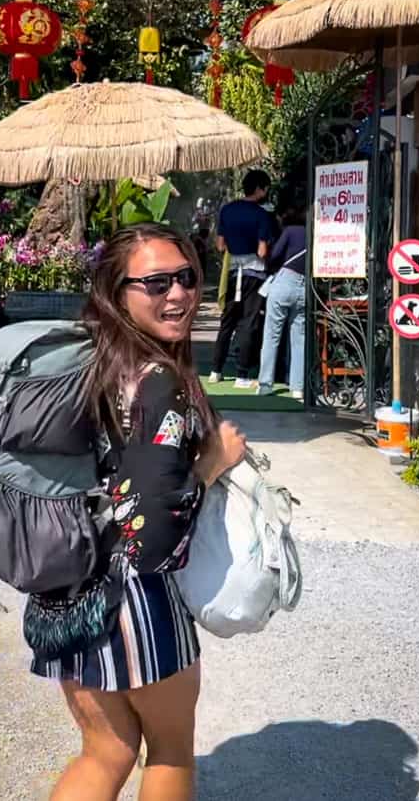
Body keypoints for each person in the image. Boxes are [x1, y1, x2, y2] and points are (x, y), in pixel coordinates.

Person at [33, 223, 246, 801]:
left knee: (105, 751)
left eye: (186, 278)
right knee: (170, 749)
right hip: (135, 598)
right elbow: (152, 526)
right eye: (155, 283)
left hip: (65, 587)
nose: (177, 295)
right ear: (114, 290)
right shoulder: (160, 382)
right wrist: (212, 464)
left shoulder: (85, 364)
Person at [209, 169, 277, 388]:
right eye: (265, 188)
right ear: (259, 189)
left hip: (232, 271)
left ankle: (215, 370)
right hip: (254, 274)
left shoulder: (227, 210)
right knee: (249, 323)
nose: (266, 192)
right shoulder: (261, 215)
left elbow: (220, 245)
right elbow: (262, 251)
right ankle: (242, 375)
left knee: (227, 321)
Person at [257, 206, 307, 400]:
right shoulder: (314, 234)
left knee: (272, 336)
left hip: (284, 283)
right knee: (299, 338)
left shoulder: (290, 231)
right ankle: (297, 388)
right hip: (303, 287)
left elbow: (275, 255)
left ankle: (265, 384)